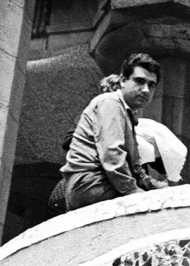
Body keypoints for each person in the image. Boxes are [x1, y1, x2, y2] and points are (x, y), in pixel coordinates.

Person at [62, 53, 165, 211]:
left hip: (98, 183)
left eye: (151, 85)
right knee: (157, 211)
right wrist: (135, 193)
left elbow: (136, 168)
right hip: (90, 183)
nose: (146, 90)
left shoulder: (127, 114)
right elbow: (112, 156)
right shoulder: (110, 102)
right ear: (123, 81)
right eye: (139, 81)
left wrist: (156, 186)